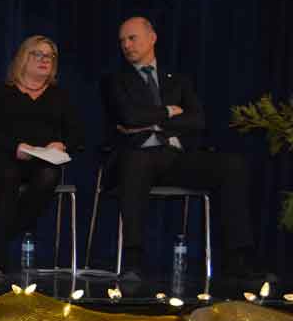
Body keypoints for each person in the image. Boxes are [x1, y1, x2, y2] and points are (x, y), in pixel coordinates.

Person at [105, 16, 254, 280]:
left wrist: (153, 123)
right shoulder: (115, 80)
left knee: (232, 165)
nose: (126, 45)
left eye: (132, 38)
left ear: (152, 38)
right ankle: (133, 260)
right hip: (138, 157)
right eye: (122, 41)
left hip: (176, 157)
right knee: (137, 162)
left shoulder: (178, 80)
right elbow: (129, 117)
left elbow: (197, 120)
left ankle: (238, 260)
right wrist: (169, 111)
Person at [0, 35, 83, 273]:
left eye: (49, 56)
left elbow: (77, 134)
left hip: (43, 161)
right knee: (9, 174)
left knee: (49, 175)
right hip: (5, 155)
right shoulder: (1, 92)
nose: (44, 60)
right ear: (23, 59)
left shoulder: (59, 95)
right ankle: (0, 258)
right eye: (37, 54)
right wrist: (16, 147)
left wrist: (62, 144)